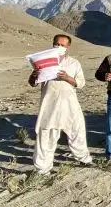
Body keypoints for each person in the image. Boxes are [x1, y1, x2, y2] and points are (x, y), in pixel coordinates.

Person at [28, 34, 93, 174]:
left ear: (68, 47)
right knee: (46, 135)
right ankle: (43, 168)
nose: (60, 47)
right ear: (53, 44)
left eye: (63, 45)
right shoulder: (44, 62)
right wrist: (34, 75)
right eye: (57, 44)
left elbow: (80, 83)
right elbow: (33, 83)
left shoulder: (74, 63)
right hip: (49, 105)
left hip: (70, 104)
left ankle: (83, 158)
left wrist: (67, 78)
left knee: (77, 130)